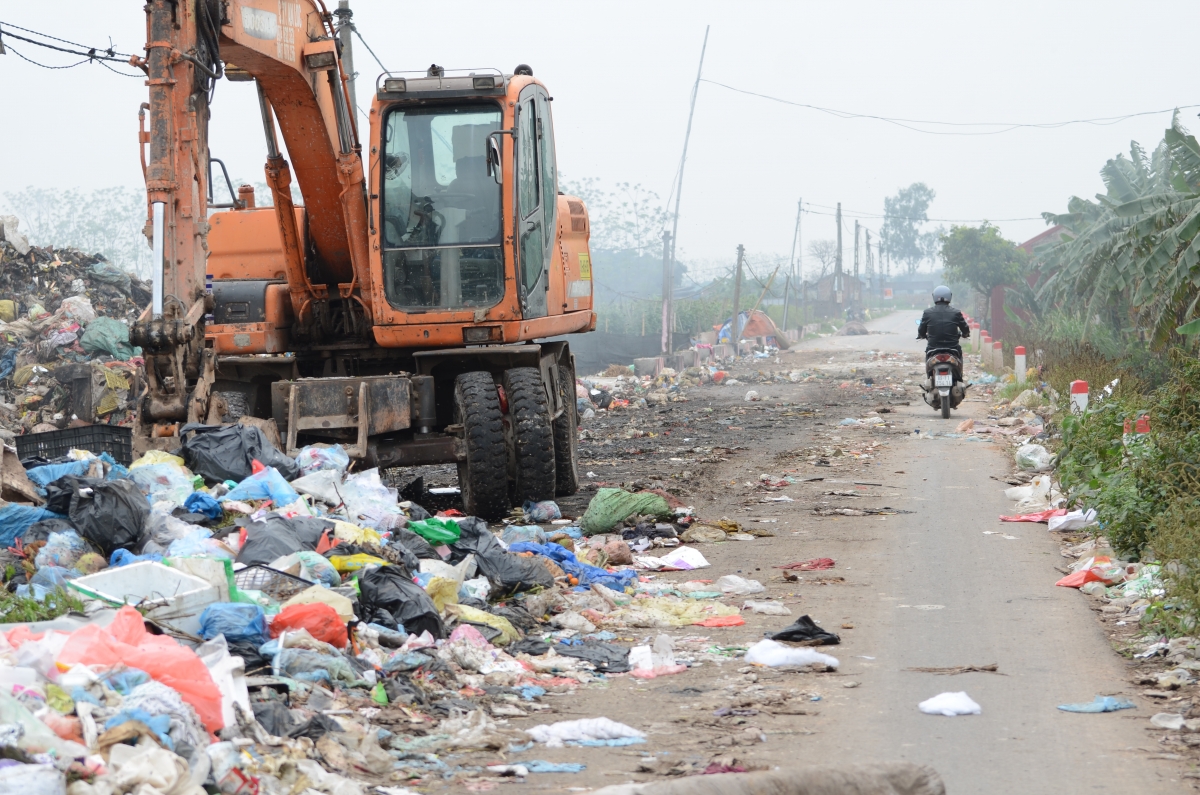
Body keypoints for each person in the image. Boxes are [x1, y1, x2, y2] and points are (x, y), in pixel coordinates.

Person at [917, 285, 970, 364]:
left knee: (928, 359)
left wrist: (921, 335)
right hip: (953, 348)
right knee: (959, 357)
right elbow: (965, 328)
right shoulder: (956, 312)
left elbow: (921, 330)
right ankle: (959, 374)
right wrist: (965, 334)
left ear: (934, 297)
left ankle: (929, 373)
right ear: (949, 297)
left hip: (933, 348)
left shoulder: (927, 313)